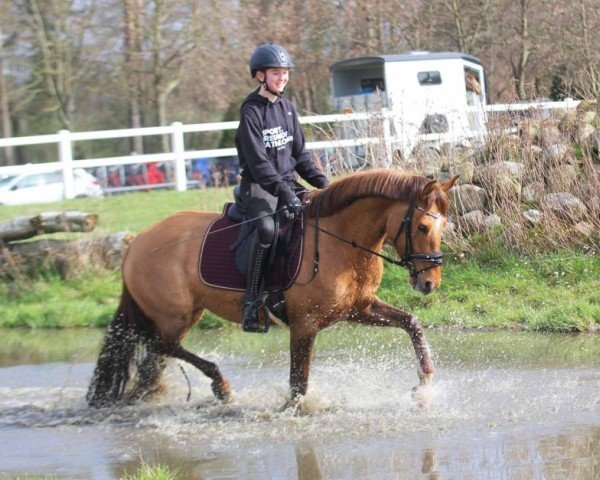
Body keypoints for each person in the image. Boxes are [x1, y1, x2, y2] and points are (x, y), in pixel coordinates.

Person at [235, 43, 329, 332]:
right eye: (277, 73)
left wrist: (325, 186)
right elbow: (259, 163)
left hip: (288, 184)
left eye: (285, 72)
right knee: (267, 229)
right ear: (260, 76)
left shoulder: (288, 108)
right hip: (259, 187)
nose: (283, 78)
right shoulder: (251, 111)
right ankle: (252, 302)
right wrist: (286, 193)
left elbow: (300, 156)